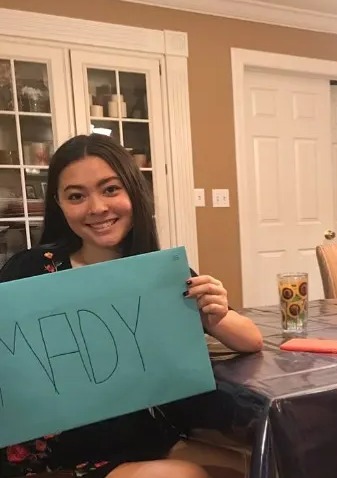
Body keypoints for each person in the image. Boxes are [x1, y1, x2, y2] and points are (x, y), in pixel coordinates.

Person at [0, 134, 263, 478]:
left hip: (138, 440)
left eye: (110, 189)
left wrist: (216, 313)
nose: (96, 208)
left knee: (257, 461)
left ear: (134, 192)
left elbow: (251, 340)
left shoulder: (160, 273)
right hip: (53, 458)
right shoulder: (31, 269)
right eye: (76, 196)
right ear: (59, 204)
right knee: (183, 475)